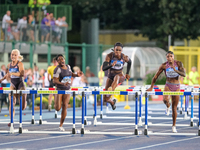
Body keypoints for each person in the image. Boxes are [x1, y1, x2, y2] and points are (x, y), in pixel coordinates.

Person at [147, 51, 185, 133]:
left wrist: (176, 70)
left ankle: (174, 126)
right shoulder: (164, 65)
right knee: (165, 100)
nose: (169, 58)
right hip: (168, 85)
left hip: (176, 86)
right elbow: (156, 76)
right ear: (166, 58)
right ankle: (167, 105)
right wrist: (151, 87)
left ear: (173, 57)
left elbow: (184, 74)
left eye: (171, 56)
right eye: (168, 56)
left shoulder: (178, 63)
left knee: (174, 108)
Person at [53, 54, 83, 131]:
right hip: (60, 89)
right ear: (58, 62)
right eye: (59, 60)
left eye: (62, 59)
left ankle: (61, 125)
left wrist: (77, 75)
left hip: (67, 89)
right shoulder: (57, 69)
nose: (61, 60)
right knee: (57, 108)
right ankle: (56, 101)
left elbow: (71, 74)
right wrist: (62, 83)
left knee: (65, 106)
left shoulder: (68, 66)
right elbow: (54, 80)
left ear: (64, 59)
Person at [0, 49, 27, 126]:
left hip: (20, 84)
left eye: (15, 55)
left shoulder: (20, 64)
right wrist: (2, 79)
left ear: (18, 56)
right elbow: (8, 74)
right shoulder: (9, 65)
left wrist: (12, 73)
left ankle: (25, 101)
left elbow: (22, 74)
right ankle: (11, 121)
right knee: (11, 103)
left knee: (22, 107)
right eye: (12, 54)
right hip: (13, 84)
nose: (13, 56)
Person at [102, 42, 132, 110]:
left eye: (119, 50)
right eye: (116, 50)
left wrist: (127, 73)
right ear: (114, 49)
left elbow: (130, 62)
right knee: (105, 99)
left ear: (122, 51)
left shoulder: (124, 57)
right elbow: (104, 68)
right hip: (110, 76)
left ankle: (111, 90)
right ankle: (112, 102)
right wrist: (111, 65)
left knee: (117, 77)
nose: (118, 52)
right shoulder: (109, 56)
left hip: (120, 76)